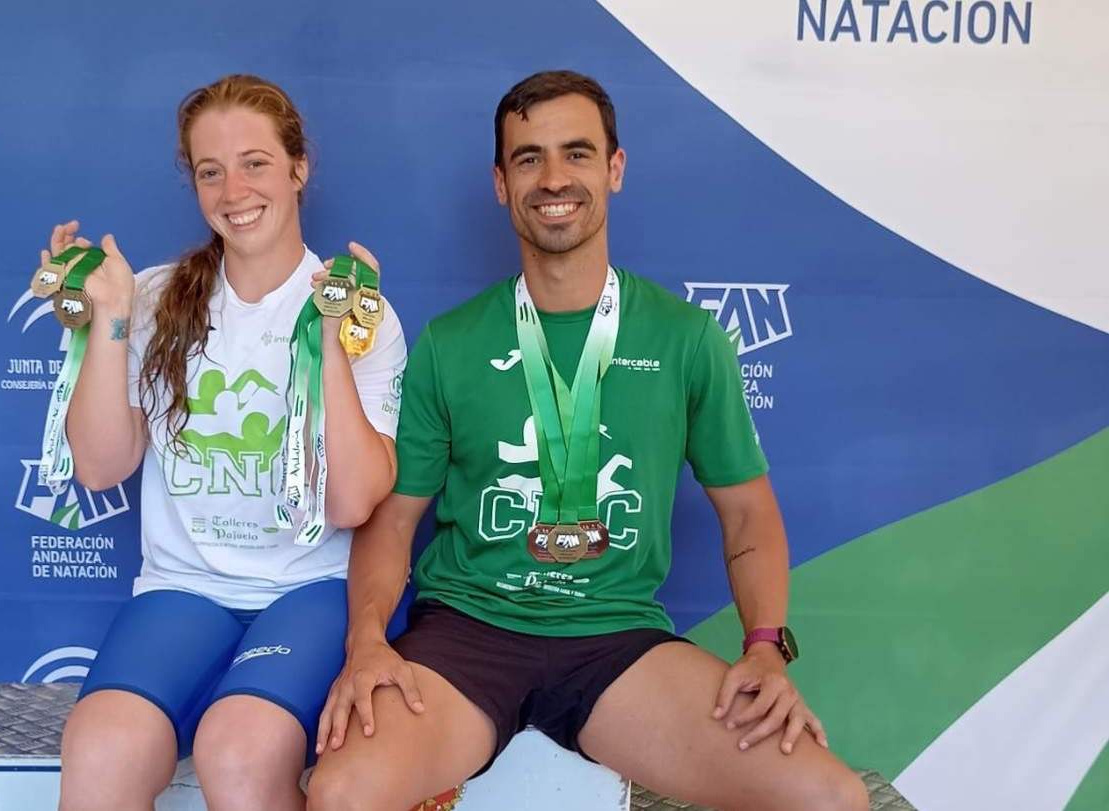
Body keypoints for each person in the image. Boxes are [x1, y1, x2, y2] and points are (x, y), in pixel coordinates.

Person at [305, 71, 869, 811]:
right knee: (342, 791)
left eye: (576, 152)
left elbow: (747, 513)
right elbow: (394, 519)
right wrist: (368, 641)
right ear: (501, 183)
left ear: (614, 168)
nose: (553, 177)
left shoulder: (686, 338)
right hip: (467, 635)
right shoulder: (450, 343)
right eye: (528, 158)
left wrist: (764, 643)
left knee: (828, 797)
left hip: (617, 642)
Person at [47, 74, 408, 811]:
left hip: (313, 589)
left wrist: (329, 344)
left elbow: (352, 502)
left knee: (238, 748)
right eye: (209, 171)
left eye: (255, 162)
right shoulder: (153, 295)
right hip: (185, 588)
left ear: (298, 168)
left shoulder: (358, 309)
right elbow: (98, 464)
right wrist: (108, 319)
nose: (232, 188)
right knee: (98, 748)